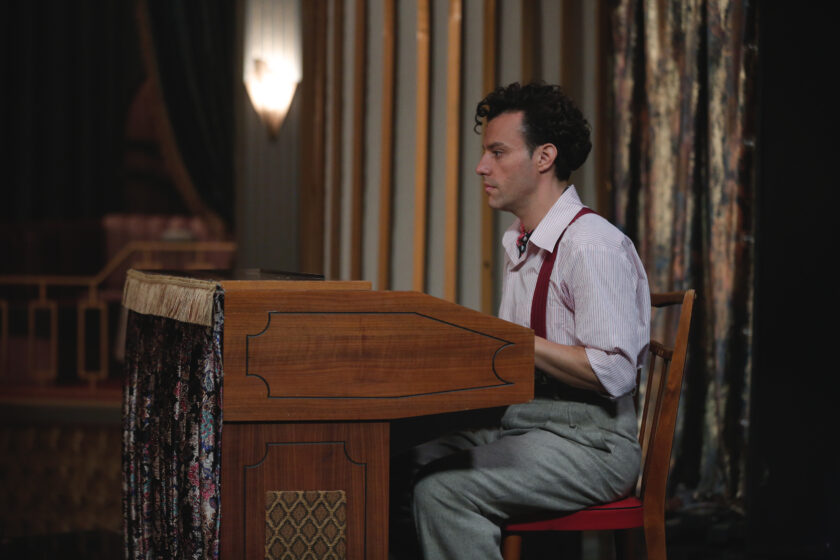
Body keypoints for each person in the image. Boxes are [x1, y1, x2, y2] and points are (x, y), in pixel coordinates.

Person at [391, 82, 651, 560]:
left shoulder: (591, 245)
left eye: (497, 152)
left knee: (443, 491)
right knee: (396, 464)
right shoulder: (520, 241)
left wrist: (516, 342)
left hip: (592, 443)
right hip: (527, 422)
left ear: (544, 157)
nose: (481, 166)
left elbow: (615, 372)